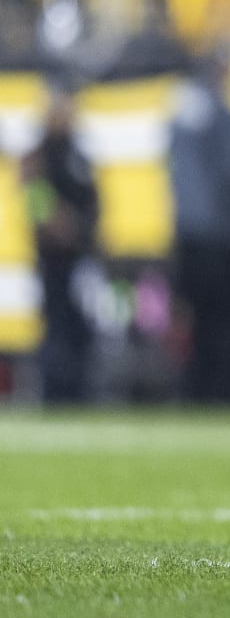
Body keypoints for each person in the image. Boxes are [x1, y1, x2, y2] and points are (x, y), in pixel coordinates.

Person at [168, 57, 230, 402]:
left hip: (189, 234)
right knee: (225, 321)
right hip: (221, 236)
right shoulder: (223, 117)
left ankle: (195, 389)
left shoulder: (181, 115)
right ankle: (223, 390)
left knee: (196, 319)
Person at [21, 80, 99, 403]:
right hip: (51, 256)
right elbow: (34, 199)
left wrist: (85, 232)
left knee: (80, 325)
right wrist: (59, 224)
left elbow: (94, 201)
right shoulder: (37, 154)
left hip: (80, 256)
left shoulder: (79, 151)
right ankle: (55, 395)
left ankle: (80, 393)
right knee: (55, 326)